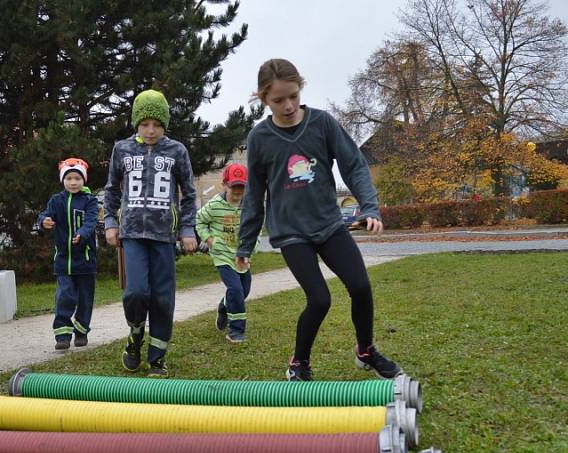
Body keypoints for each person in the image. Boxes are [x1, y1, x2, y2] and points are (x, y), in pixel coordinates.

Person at [235, 58, 402, 382]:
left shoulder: (322, 123)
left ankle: (365, 351)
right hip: (291, 233)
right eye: (278, 100)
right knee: (320, 299)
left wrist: (369, 207)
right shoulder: (260, 138)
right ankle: (300, 362)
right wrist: (245, 242)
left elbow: (353, 165)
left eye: (293, 96)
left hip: (329, 224)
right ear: (263, 99)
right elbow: (255, 194)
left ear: (301, 88)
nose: (288, 105)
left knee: (360, 286)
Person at [104, 89, 197, 377]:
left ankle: (157, 357)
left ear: (165, 125)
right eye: (145, 124)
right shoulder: (122, 149)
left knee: (162, 298)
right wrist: (110, 222)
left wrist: (187, 229)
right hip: (132, 233)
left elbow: (190, 194)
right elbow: (111, 189)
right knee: (136, 292)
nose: (151, 130)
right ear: (136, 123)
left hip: (164, 236)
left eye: (157, 125)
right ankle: (135, 335)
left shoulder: (176, 151)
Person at [38, 158, 98, 350]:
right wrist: (44, 221)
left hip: (85, 260)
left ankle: (81, 330)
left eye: (77, 178)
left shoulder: (90, 201)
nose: (73, 182)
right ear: (63, 180)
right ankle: (62, 334)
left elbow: (91, 222)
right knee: (65, 295)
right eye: (69, 178)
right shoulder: (56, 200)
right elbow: (44, 215)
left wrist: (82, 234)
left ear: (84, 180)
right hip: (63, 260)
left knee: (85, 298)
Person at [195, 163, 252, 344]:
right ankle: (236, 330)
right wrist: (209, 240)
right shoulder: (214, 205)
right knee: (235, 289)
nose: (237, 190)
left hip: (241, 255)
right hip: (221, 255)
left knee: (244, 291)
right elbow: (199, 222)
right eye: (233, 185)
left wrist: (248, 251)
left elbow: (255, 229)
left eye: (241, 186)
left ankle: (223, 308)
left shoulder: (250, 206)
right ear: (225, 184)